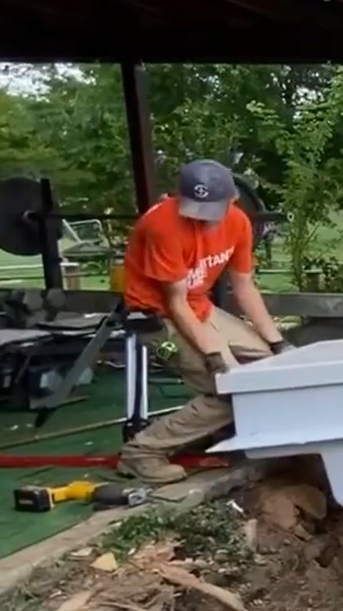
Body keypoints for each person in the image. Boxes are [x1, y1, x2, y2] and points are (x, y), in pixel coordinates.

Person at [117, 159, 289, 483]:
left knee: (267, 371)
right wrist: (213, 355)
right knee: (227, 388)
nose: (200, 218)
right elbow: (175, 303)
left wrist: (277, 342)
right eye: (195, 208)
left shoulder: (238, 223)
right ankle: (142, 452)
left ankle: (218, 432)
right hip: (156, 316)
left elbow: (244, 286)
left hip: (198, 306)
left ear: (233, 199)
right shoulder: (161, 226)